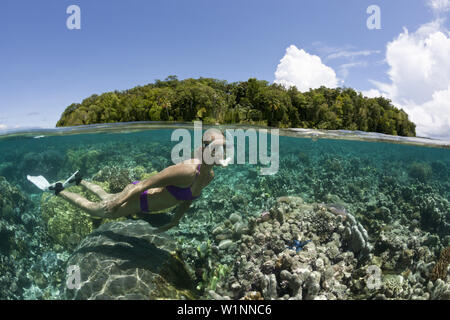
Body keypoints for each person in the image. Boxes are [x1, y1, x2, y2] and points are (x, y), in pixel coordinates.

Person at [31, 129, 228, 233]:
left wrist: (175, 220)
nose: (217, 150)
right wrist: (118, 203)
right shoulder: (186, 171)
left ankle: (79, 180)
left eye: (222, 147)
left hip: (141, 201)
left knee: (105, 195)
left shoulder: (209, 176)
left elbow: (188, 200)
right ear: (203, 148)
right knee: (94, 209)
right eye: (210, 145)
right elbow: (144, 184)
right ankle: (57, 190)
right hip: (138, 198)